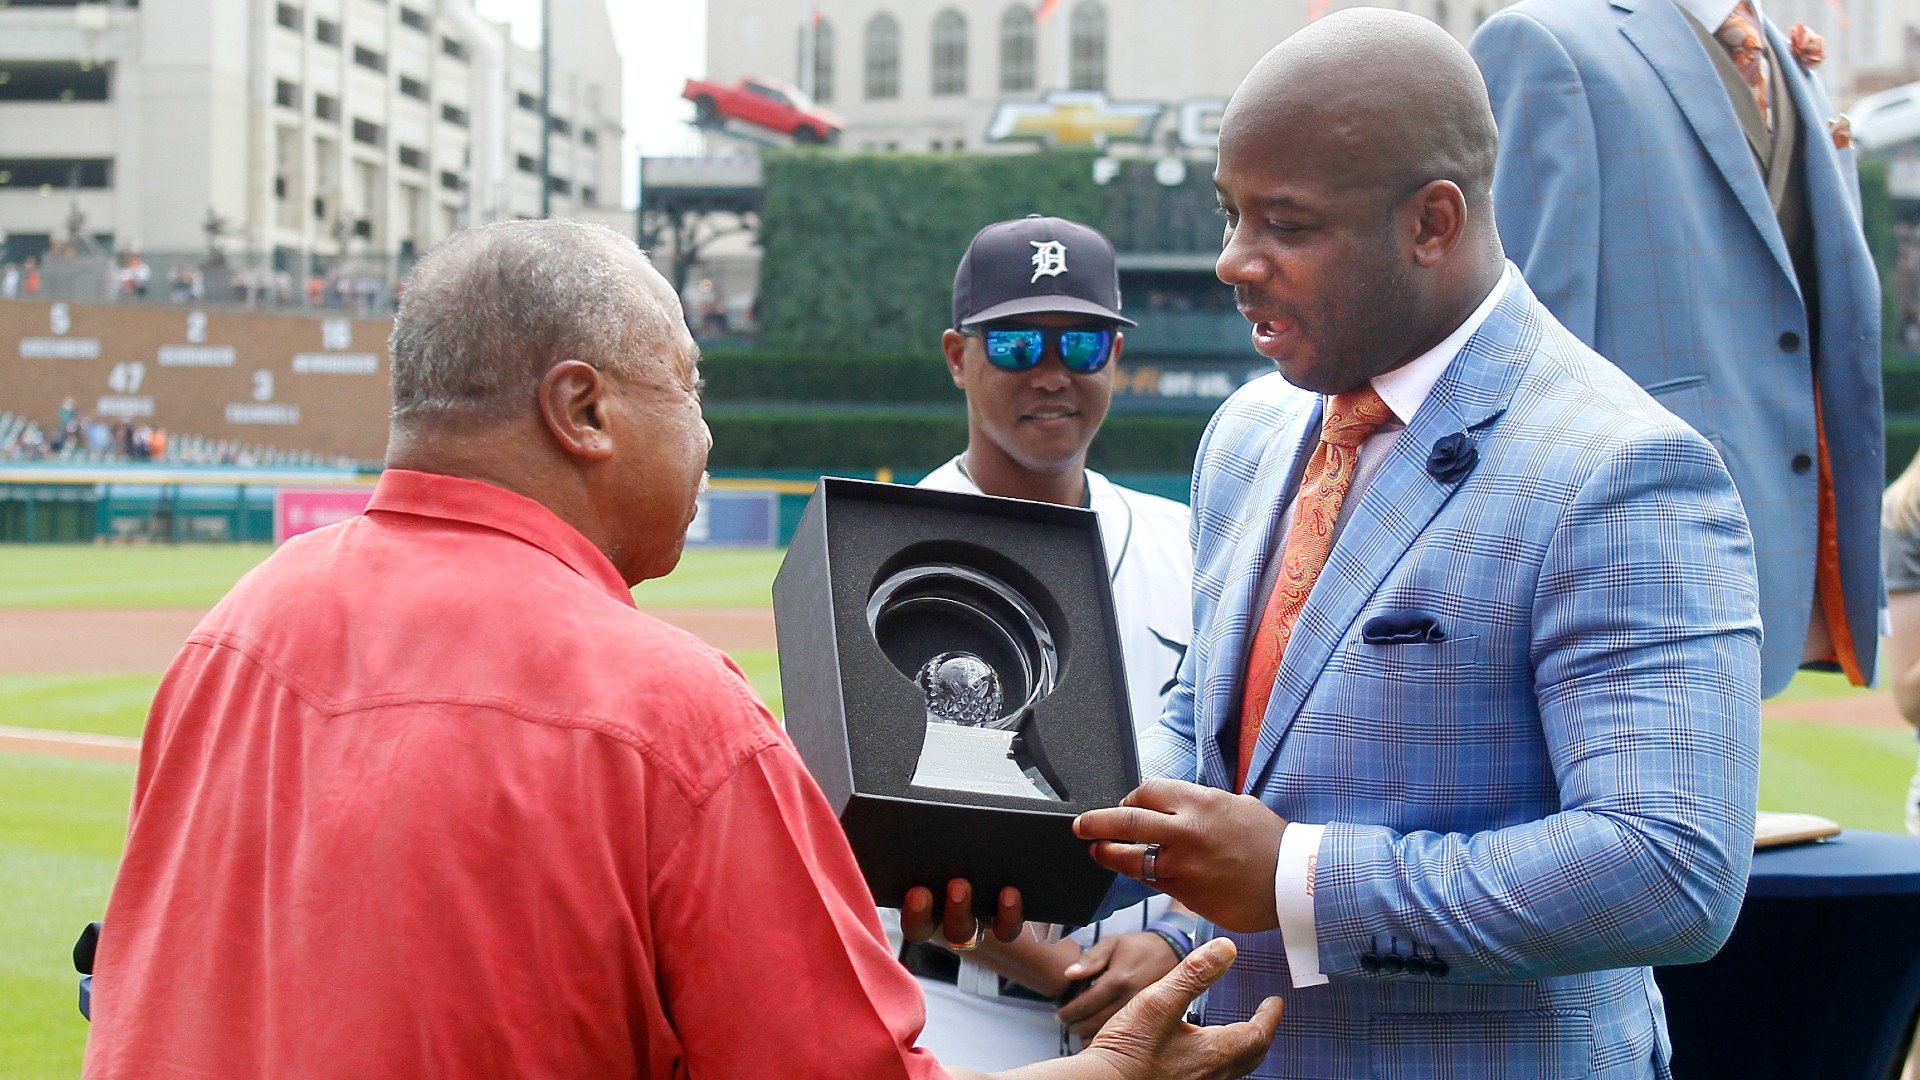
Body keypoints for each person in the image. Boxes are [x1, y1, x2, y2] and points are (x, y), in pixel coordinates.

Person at [80, 218, 1281, 1080]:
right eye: (689, 386)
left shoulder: (230, 634)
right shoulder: (666, 713)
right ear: (585, 412)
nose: (705, 432)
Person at [1070, 11, 1761, 1077]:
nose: (1232, 261)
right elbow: (1206, 714)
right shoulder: (1250, 434)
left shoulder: (1622, 468)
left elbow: (1668, 870)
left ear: (1432, 222)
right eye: (1231, 214)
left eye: (1285, 224)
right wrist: (1052, 837)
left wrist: (1300, 879)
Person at [1469, 0, 1883, 698]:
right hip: (1633, 541)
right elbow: (1519, 339)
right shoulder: (1544, 42)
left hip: (1780, 536)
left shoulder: (1782, 54)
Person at [900, 215, 1199, 1069]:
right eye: (1019, 346)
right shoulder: (887, 552)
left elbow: (1252, 781)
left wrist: (1176, 951)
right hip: (958, 1021)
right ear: (959, 357)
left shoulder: (1191, 545)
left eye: (1084, 344)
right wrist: (1082, 980)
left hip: (1179, 998)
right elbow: (875, 854)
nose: (1053, 374)